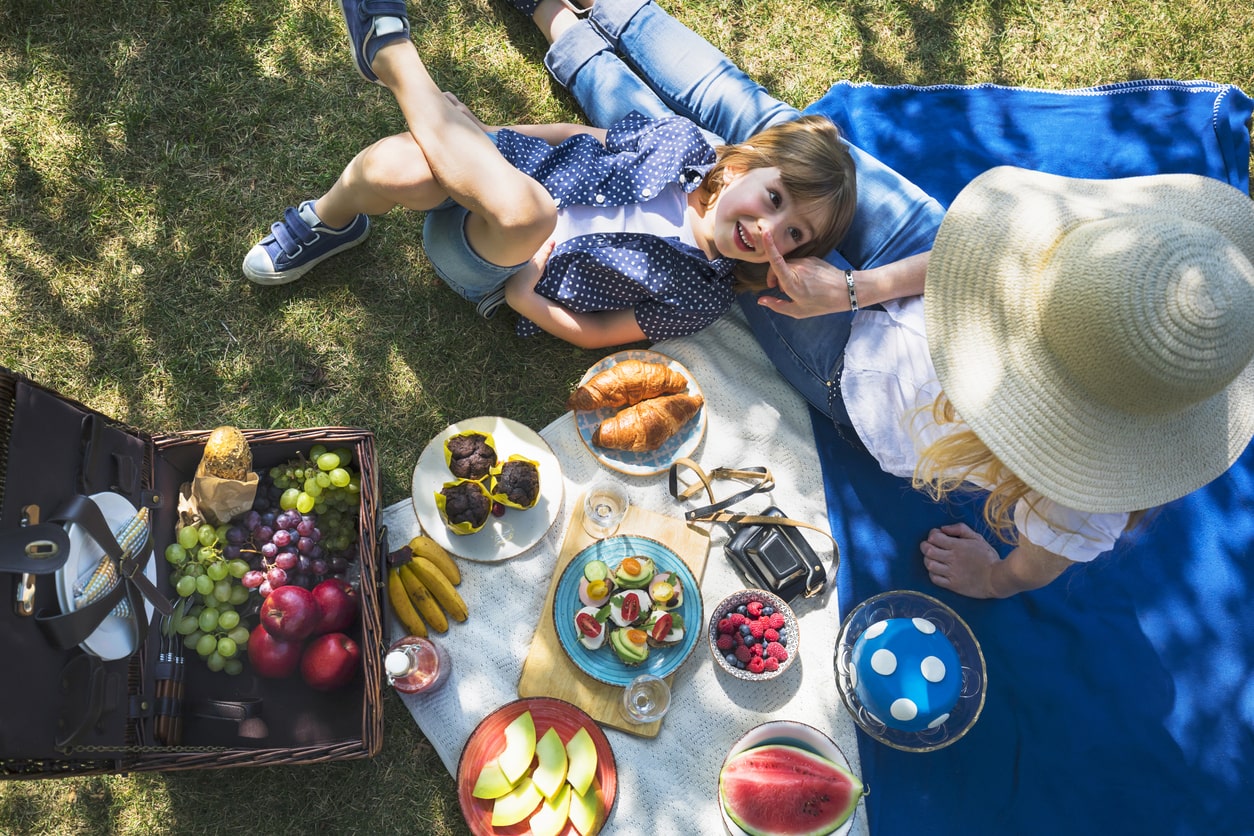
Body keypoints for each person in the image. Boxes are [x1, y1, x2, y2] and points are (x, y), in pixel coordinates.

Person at [511, 0, 1254, 597]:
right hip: (925, 261)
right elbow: (983, 252)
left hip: (858, 368)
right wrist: (860, 285)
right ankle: (617, 10)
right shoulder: (1117, 279)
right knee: (766, 137)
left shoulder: (1087, 492)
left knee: (695, 196)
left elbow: (1032, 567)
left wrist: (990, 577)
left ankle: (563, 30)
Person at [241, 0, 857, 351]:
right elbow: (578, 137)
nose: (769, 227)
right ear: (745, 164)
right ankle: (331, 219)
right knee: (396, 168)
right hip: (503, 173)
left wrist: (524, 293)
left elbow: (599, 336)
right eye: (774, 197)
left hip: (497, 259)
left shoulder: (704, 292)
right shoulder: (684, 141)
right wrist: (489, 140)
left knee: (528, 218)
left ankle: (391, 53)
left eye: (795, 235)